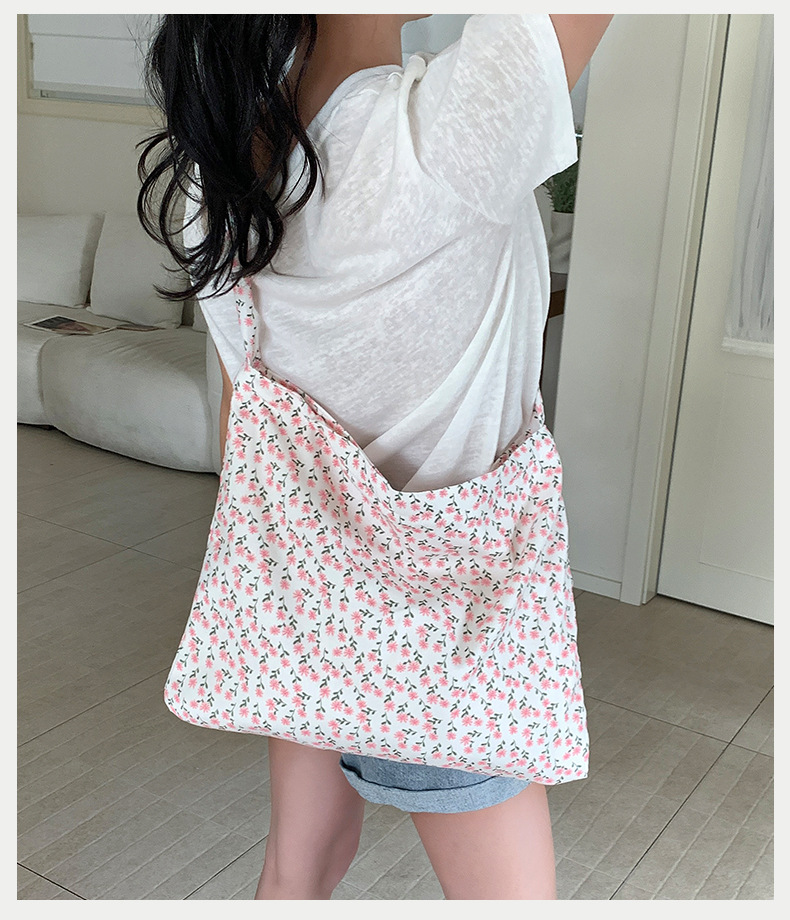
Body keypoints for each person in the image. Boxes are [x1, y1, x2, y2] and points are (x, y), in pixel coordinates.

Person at [137, 13, 612, 900]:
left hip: (311, 607)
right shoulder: (449, 130)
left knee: (296, 873)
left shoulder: (220, 171)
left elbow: (251, 425)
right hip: (454, 628)